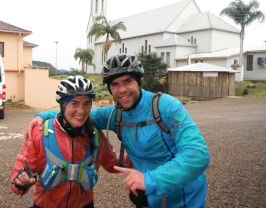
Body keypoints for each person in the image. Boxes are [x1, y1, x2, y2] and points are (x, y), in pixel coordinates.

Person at [28, 55, 210, 208]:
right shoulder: (116, 115)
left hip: (184, 195)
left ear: (138, 81)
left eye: (128, 81)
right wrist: (43, 115)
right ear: (109, 89)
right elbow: (80, 114)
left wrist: (150, 180)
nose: (122, 90)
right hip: (149, 195)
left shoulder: (166, 106)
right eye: (115, 84)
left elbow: (198, 155)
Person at [10, 75, 122, 208]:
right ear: (63, 105)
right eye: (74, 103)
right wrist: (20, 182)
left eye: (87, 103)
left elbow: (115, 165)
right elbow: (18, 176)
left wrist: (136, 150)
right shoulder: (39, 133)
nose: (81, 111)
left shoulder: (96, 135)